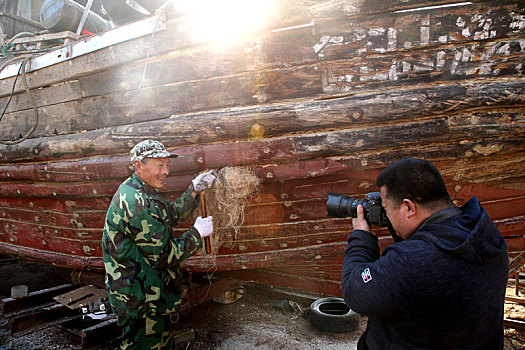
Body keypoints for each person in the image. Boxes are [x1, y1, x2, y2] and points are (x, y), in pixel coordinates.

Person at [341, 158, 509, 349]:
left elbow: (354, 291)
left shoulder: (410, 261)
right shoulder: (486, 237)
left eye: (386, 209)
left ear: (409, 208)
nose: (385, 215)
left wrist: (361, 237)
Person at [102, 139, 216, 350]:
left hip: (145, 293)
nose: (166, 171)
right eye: (159, 165)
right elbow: (164, 256)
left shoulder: (140, 190)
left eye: (168, 165)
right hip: (141, 299)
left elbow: (167, 215)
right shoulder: (137, 202)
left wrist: (192, 191)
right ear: (139, 165)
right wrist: (196, 234)